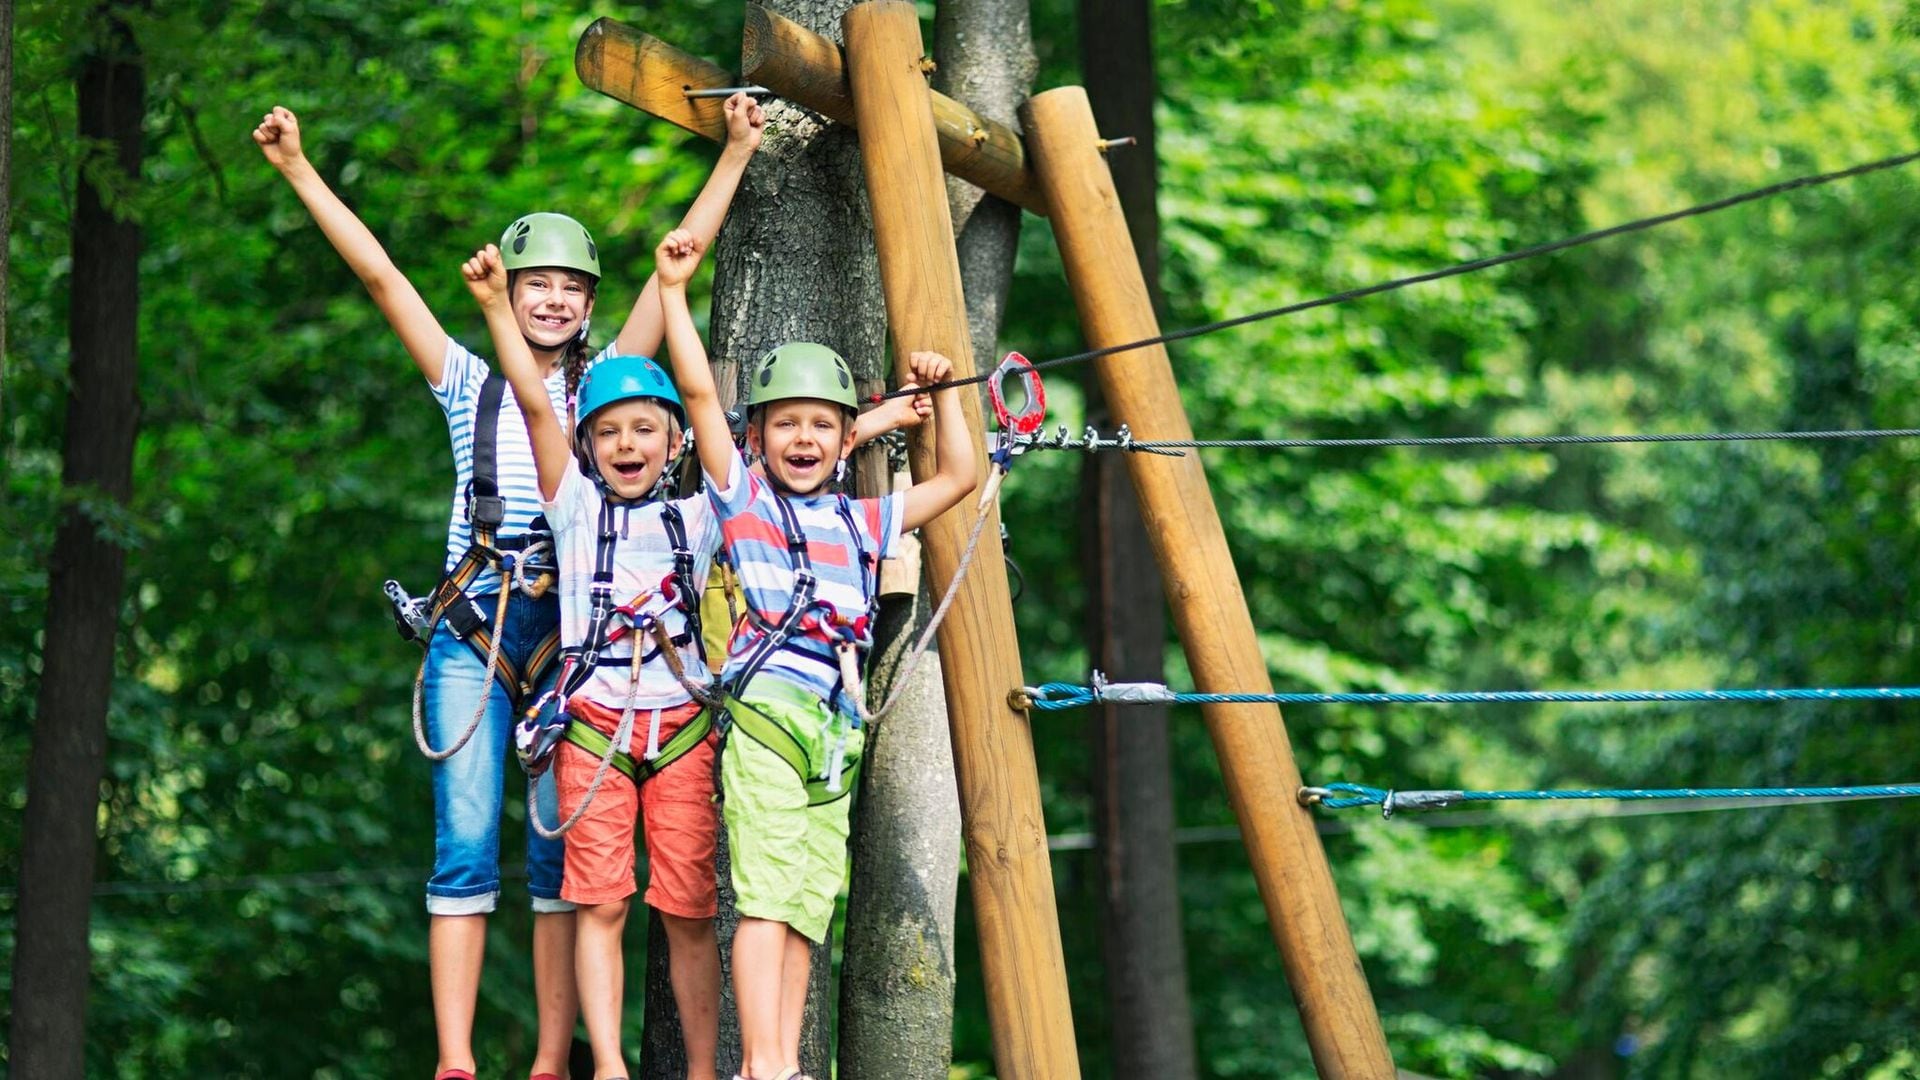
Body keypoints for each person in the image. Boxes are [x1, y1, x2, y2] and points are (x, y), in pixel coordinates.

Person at [253, 94, 764, 1080]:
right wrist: (299, 169)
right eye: (538, 283)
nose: (554, 300)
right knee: (466, 843)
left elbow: (679, 265)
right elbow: (382, 278)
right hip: (477, 629)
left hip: (578, 645)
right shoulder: (466, 384)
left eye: (573, 286)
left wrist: (737, 150)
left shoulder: (619, 388)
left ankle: (547, 1059)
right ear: (511, 290)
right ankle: (454, 1061)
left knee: (561, 866)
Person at [654, 227, 976, 1080]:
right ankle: (761, 1064)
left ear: (846, 440)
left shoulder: (862, 522)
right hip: (768, 718)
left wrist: (940, 399)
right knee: (762, 896)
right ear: (756, 438)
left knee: (805, 905)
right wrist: (675, 294)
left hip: (835, 730)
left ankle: (787, 1064)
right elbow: (693, 389)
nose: (803, 438)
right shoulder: (743, 503)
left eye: (822, 426)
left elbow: (958, 480)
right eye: (785, 424)